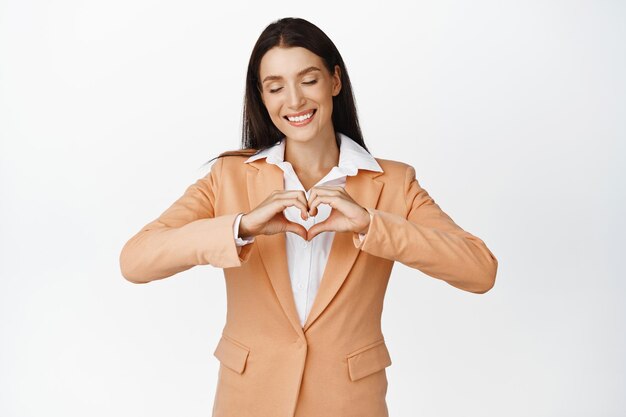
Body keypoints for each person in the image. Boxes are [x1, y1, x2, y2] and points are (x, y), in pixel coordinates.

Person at [119, 17, 498, 417]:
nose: (295, 100)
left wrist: (372, 224)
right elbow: (136, 259)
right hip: (248, 403)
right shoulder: (227, 177)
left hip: (349, 405)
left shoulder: (394, 184)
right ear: (262, 98)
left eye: (309, 80)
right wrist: (241, 227)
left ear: (335, 81)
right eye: (276, 87)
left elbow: (479, 270)